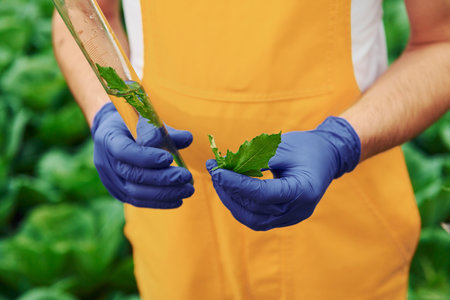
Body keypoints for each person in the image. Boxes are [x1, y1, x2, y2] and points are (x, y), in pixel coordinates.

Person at [52, 0, 450, 299]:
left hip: (340, 217)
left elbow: (440, 41)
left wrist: (340, 143)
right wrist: (106, 112)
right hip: (177, 227)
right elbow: (82, 12)